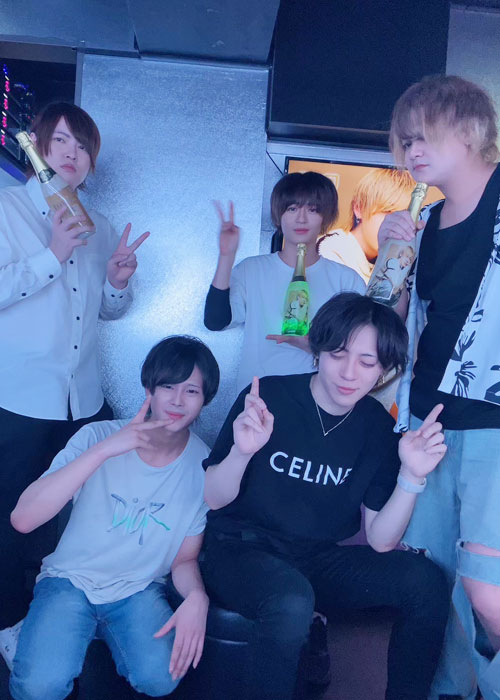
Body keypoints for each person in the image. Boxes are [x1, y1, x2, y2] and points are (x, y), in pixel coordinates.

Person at [201, 291, 449, 700]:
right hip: (238, 549)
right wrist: (242, 452)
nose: (349, 373)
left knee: (424, 582)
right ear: (317, 351)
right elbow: (213, 498)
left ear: (383, 370)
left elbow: (381, 540)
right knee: (291, 599)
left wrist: (411, 475)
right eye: (338, 354)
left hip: (314, 558)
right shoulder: (269, 398)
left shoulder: (376, 428)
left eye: (367, 362)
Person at [0, 102, 150, 633]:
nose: (72, 153)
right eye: (61, 140)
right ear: (39, 146)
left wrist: (118, 281)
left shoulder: (99, 225)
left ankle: (71, 611)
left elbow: (105, 311)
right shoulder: (7, 209)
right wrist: (54, 254)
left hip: (82, 400)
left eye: (83, 146)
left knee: (85, 512)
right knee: (10, 517)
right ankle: (9, 626)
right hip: (19, 398)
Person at [8, 335, 219, 700]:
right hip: (69, 580)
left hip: (138, 589)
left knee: (161, 678)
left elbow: (184, 558)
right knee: (39, 687)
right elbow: (23, 519)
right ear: (149, 388)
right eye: (168, 386)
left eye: (191, 391)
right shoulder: (98, 435)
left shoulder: (204, 467)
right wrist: (105, 450)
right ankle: (39, 633)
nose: (177, 401)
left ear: (205, 400)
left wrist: (197, 598)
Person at [384, 74, 500, 699]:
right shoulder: (422, 221)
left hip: (494, 421)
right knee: (435, 577)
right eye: (406, 140)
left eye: (424, 134)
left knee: (487, 590)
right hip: (426, 417)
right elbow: (393, 326)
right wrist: (392, 262)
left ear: (473, 128)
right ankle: (450, 690)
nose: (413, 150)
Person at [203, 172, 365, 393]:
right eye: (292, 209)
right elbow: (215, 321)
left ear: (326, 217)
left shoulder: (347, 280)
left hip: (319, 399)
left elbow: (362, 349)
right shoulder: (252, 270)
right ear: (278, 215)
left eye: (312, 209)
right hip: (257, 396)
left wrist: (316, 347)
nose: (301, 219)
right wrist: (226, 255)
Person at [319, 168, 415, 283]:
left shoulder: (393, 259)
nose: (395, 224)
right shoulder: (331, 251)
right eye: (387, 212)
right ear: (359, 208)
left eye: (402, 217)